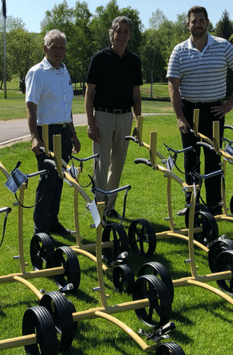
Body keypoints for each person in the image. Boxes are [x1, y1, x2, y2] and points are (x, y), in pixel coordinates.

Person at [166, 6, 233, 216]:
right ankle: (191, 205)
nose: (197, 25)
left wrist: (229, 104)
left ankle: (214, 207)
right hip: (188, 111)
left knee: (214, 158)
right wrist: (179, 117)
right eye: (193, 21)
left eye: (201, 20)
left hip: (214, 111)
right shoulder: (179, 50)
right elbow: (172, 85)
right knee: (190, 158)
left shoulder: (223, 46)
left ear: (208, 23)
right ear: (188, 24)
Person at [84, 16, 142, 220]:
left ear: (130, 36)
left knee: (118, 165)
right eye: (119, 31)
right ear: (112, 33)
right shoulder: (99, 58)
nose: (122, 35)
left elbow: (136, 94)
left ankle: (110, 208)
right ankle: (99, 209)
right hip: (103, 116)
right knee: (101, 164)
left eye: (126, 32)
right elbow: (89, 93)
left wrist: (138, 121)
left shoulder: (134, 61)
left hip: (125, 117)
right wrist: (91, 123)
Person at [25, 29, 81, 235]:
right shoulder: (37, 72)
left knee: (60, 178)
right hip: (46, 132)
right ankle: (40, 227)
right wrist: (34, 138)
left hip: (64, 131)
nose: (58, 51)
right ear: (45, 48)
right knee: (47, 179)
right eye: (54, 47)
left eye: (62, 48)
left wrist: (73, 133)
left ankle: (52, 221)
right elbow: (31, 107)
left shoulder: (64, 71)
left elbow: (67, 107)